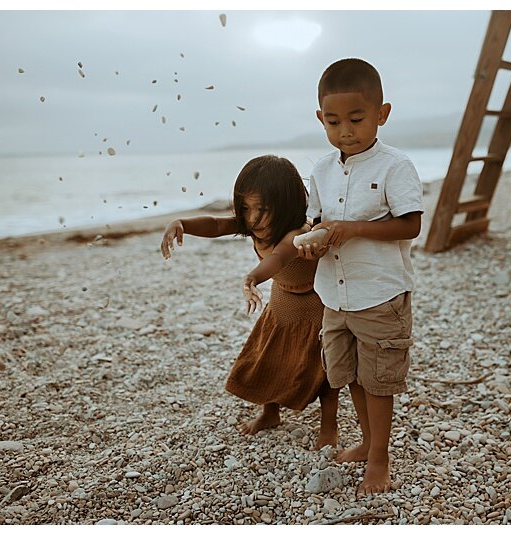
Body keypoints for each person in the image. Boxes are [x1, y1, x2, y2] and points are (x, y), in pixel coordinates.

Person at [297, 58, 423, 494]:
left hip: (380, 293)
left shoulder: (394, 166)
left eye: (356, 119)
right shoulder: (321, 170)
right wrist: (314, 237)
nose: (345, 131)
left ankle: (381, 459)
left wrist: (352, 229)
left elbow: (410, 225)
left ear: (382, 115)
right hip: (334, 294)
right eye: (333, 122)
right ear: (320, 119)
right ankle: (368, 443)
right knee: (349, 374)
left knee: (379, 380)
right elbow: (315, 222)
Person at [160, 155, 340, 449]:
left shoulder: (299, 233)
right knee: (268, 359)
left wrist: (253, 277)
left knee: (324, 372)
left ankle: (328, 427)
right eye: (246, 208)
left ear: (286, 204)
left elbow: (280, 256)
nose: (253, 218)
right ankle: (270, 412)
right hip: (282, 300)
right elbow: (217, 225)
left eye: (262, 209)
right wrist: (182, 223)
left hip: (314, 305)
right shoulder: (252, 224)